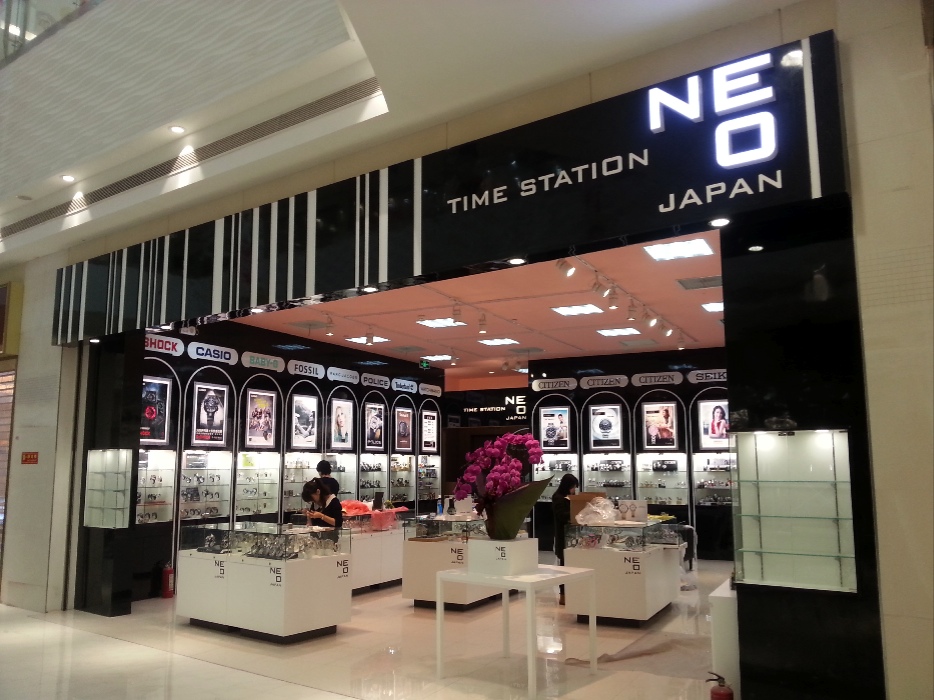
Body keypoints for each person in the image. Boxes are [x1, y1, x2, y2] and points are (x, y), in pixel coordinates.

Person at [551, 473, 579, 605]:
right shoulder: (558, 497)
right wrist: (577, 511)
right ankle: (563, 595)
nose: (574, 490)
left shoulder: (568, 497)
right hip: (563, 537)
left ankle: (572, 594)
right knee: (563, 567)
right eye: (573, 487)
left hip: (571, 537)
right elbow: (562, 516)